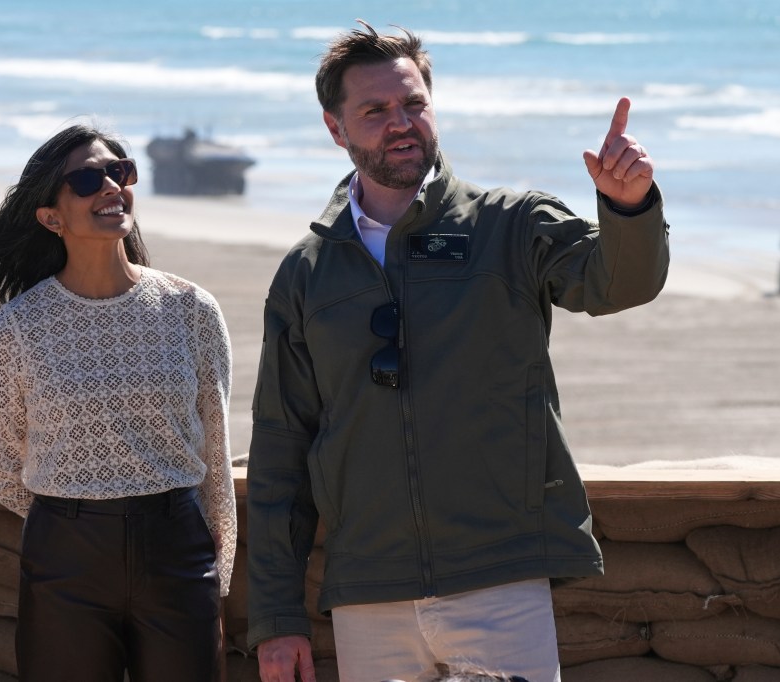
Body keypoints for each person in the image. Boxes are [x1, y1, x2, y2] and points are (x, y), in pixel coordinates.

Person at [246, 20, 669, 682]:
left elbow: (618, 282)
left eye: (414, 103)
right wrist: (275, 617)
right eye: (376, 110)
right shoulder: (307, 274)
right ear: (336, 129)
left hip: (499, 581)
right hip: (368, 593)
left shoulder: (512, 223)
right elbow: (279, 452)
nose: (401, 123)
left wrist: (630, 207)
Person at [0, 123, 236, 682]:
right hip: (66, 561)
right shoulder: (17, 328)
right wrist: (77, 512)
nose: (111, 186)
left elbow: (215, 450)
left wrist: (217, 570)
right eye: (89, 178)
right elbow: (1, 469)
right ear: (51, 217)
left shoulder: (191, 309)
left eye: (120, 171)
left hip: (177, 554)